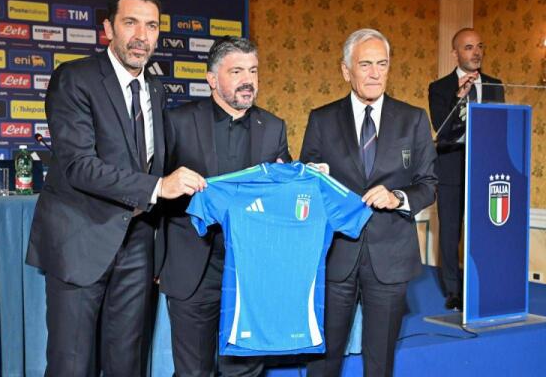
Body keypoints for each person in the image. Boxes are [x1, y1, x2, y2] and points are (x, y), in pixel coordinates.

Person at [26, 0, 205, 376]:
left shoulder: (155, 89)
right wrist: (158, 187)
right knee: (72, 366)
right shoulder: (75, 78)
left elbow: (154, 161)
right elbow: (78, 165)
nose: (142, 36)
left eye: (151, 26)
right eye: (131, 23)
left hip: (137, 247)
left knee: (127, 365)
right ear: (108, 28)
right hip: (81, 242)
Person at [301, 28, 437, 376]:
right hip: (335, 256)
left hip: (390, 257)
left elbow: (428, 185)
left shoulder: (414, 119)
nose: (375, 73)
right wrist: (312, 179)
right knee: (323, 360)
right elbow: (308, 186)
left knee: (380, 362)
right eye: (365, 65)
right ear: (346, 70)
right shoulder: (321, 119)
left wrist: (398, 197)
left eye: (382, 64)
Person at [159, 36, 292, 376]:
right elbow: (156, 189)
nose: (248, 80)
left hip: (251, 272)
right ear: (212, 79)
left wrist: (300, 180)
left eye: (253, 71)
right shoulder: (177, 122)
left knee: (245, 371)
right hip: (192, 267)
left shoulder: (273, 127)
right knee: (193, 371)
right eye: (237, 71)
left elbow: (283, 195)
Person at [429, 28, 505, 310]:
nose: (477, 52)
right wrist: (458, 98)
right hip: (451, 169)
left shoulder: (495, 85)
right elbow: (442, 128)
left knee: (484, 229)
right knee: (450, 232)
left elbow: (500, 127)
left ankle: (483, 283)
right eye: (469, 47)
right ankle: (453, 291)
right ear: (455, 53)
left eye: (480, 46)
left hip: (486, 170)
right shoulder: (440, 88)